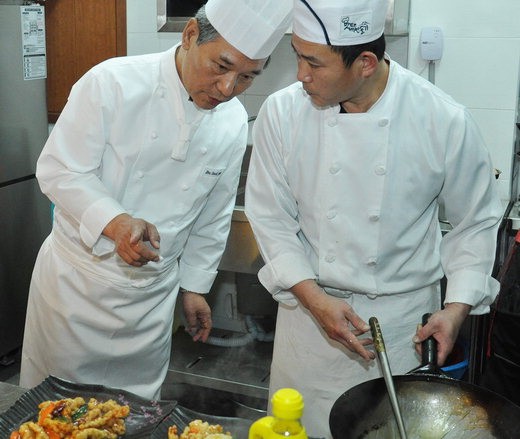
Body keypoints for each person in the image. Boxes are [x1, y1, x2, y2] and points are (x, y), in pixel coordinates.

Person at [244, 0, 503, 436]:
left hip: (398, 329)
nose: (300, 75)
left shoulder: (442, 119)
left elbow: (475, 221)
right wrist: (314, 299)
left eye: (313, 62)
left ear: (365, 62)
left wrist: (456, 308)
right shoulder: (281, 113)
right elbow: (270, 217)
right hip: (308, 325)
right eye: (297, 54)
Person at [19, 0, 292, 400]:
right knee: (58, 411)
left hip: (151, 304)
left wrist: (195, 287)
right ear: (190, 36)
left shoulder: (232, 121)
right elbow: (60, 170)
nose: (228, 89)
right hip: (76, 292)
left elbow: (212, 215)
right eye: (221, 66)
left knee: (136, 412)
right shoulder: (111, 82)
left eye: (248, 77)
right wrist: (116, 222)